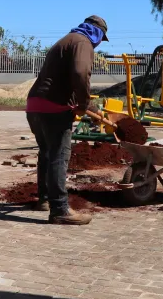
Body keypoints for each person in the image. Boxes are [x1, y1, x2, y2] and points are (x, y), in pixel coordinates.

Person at [25, 15, 108, 225]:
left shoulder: (66, 41)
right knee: (59, 156)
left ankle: (45, 199)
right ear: (97, 33)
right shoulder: (83, 43)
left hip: (35, 105)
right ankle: (60, 209)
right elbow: (80, 73)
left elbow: (65, 79)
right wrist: (83, 104)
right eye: (101, 39)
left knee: (47, 154)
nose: (99, 44)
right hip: (53, 107)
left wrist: (90, 108)